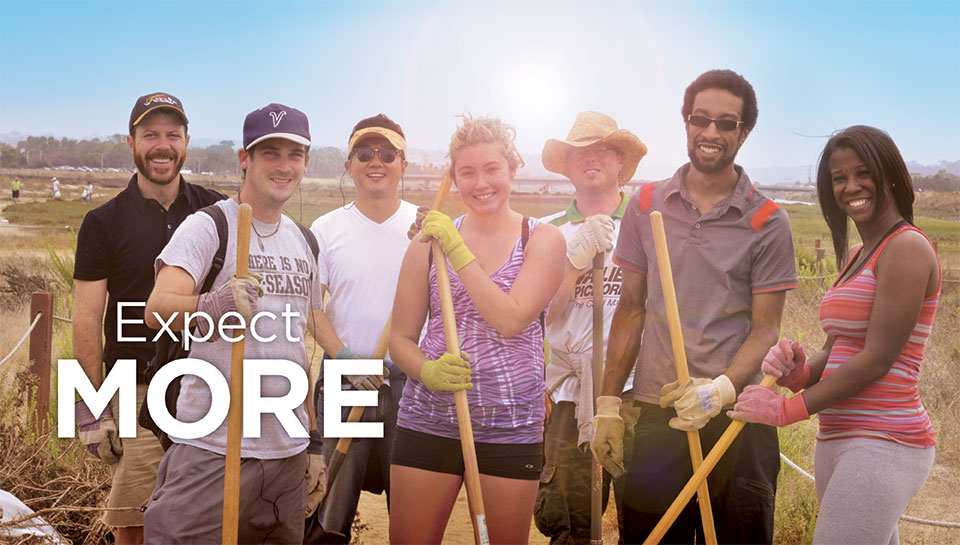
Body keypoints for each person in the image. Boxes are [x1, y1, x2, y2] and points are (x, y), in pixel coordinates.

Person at [591, 69, 798, 544]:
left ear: (743, 134)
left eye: (727, 124)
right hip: (659, 412)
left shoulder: (768, 220)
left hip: (736, 417)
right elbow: (630, 309)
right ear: (685, 122)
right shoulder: (646, 203)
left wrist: (721, 389)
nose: (711, 133)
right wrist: (606, 405)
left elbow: (766, 329)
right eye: (700, 119)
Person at [730, 125, 940, 545]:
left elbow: (878, 358)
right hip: (839, 439)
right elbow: (839, 348)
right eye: (839, 178)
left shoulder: (906, 248)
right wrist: (800, 375)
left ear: (891, 174)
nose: (850, 186)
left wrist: (788, 411)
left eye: (863, 173)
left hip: (884, 441)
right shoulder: (860, 254)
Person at [143, 103, 326, 543]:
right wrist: (213, 303)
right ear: (245, 158)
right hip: (212, 449)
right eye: (270, 153)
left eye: (294, 155)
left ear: (305, 162)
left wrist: (314, 445)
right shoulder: (210, 226)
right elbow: (156, 307)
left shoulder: (305, 240)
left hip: (287, 455)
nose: (284, 166)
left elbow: (296, 350)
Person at [388, 115, 566, 545]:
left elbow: (510, 319)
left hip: (510, 424)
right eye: (466, 172)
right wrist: (427, 372)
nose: (480, 183)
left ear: (513, 169)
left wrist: (457, 249)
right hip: (428, 418)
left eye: (492, 169)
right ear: (453, 177)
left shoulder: (541, 239)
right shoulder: (427, 245)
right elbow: (399, 340)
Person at [71, 92, 225, 545]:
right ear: (131, 141)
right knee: (134, 524)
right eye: (151, 134)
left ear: (186, 141)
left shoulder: (217, 212)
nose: (163, 145)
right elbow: (86, 316)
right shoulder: (103, 222)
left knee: (208, 520)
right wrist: (89, 405)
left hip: (206, 387)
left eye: (172, 135)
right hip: (136, 388)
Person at [534, 111, 647, 544]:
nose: (590, 158)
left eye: (602, 149)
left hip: (636, 392)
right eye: (579, 151)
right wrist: (572, 259)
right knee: (571, 525)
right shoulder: (547, 232)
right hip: (567, 396)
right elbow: (540, 315)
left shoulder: (647, 224)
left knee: (646, 520)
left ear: (621, 160)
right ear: (566, 164)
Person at [307, 113, 418, 541]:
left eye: (389, 154)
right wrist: (345, 358)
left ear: (403, 165)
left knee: (410, 509)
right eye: (365, 153)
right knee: (330, 506)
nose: (378, 161)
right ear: (349, 165)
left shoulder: (422, 228)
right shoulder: (326, 229)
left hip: (410, 383)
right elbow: (313, 309)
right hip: (345, 380)